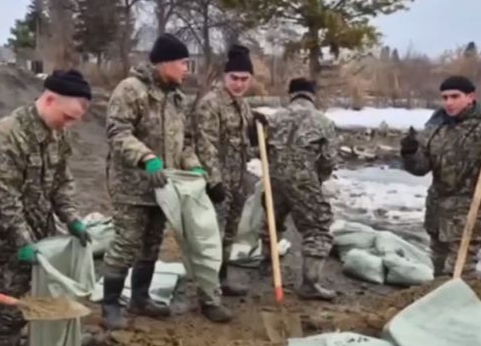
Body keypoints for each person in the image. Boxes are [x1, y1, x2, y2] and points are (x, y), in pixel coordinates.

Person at [101, 33, 232, 328]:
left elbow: (184, 142)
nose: (187, 69)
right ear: (165, 63)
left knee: (151, 243)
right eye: (183, 63)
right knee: (126, 242)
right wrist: (146, 157)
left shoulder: (175, 97)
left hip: (164, 188)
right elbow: (117, 132)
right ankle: (110, 306)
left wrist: (196, 169)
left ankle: (140, 298)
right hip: (132, 186)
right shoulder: (131, 90)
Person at [0, 69, 93, 346]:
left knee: (42, 303)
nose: (69, 125)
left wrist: (72, 219)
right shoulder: (6, 135)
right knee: (6, 317)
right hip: (4, 245)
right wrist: (23, 242)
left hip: (41, 240)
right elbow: (5, 199)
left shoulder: (57, 134)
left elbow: (62, 183)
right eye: (68, 117)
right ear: (50, 100)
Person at [400, 75, 481, 276]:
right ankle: (440, 306)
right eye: (445, 97)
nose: (448, 102)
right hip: (438, 213)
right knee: (440, 271)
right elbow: (421, 168)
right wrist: (410, 152)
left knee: (458, 274)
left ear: (470, 96)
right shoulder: (436, 125)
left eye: (455, 96)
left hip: (470, 212)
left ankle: (460, 305)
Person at [192, 44, 265, 297]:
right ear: (225, 77)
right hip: (217, 183)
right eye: (234, 78)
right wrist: (214, 181)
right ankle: (207, 291)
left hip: (237, 181)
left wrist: (257, 138)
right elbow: (205, 144)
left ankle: (221, 281)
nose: (239, 84)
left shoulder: (242, 105)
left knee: (229, 235)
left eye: (244, 79)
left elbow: (242, 146)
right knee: (212, 236)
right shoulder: (210, 104)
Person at [263, 77, 338, 301]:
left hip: (274, 177)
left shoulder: (274, 119)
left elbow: (261, 149)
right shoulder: (323, 122)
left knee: (271, 220)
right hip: (304, 180)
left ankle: (266, 263)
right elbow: (328, 159)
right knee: (318, 226)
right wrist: (318, 179)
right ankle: (310, 283)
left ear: (291, 94)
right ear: (312, 96)